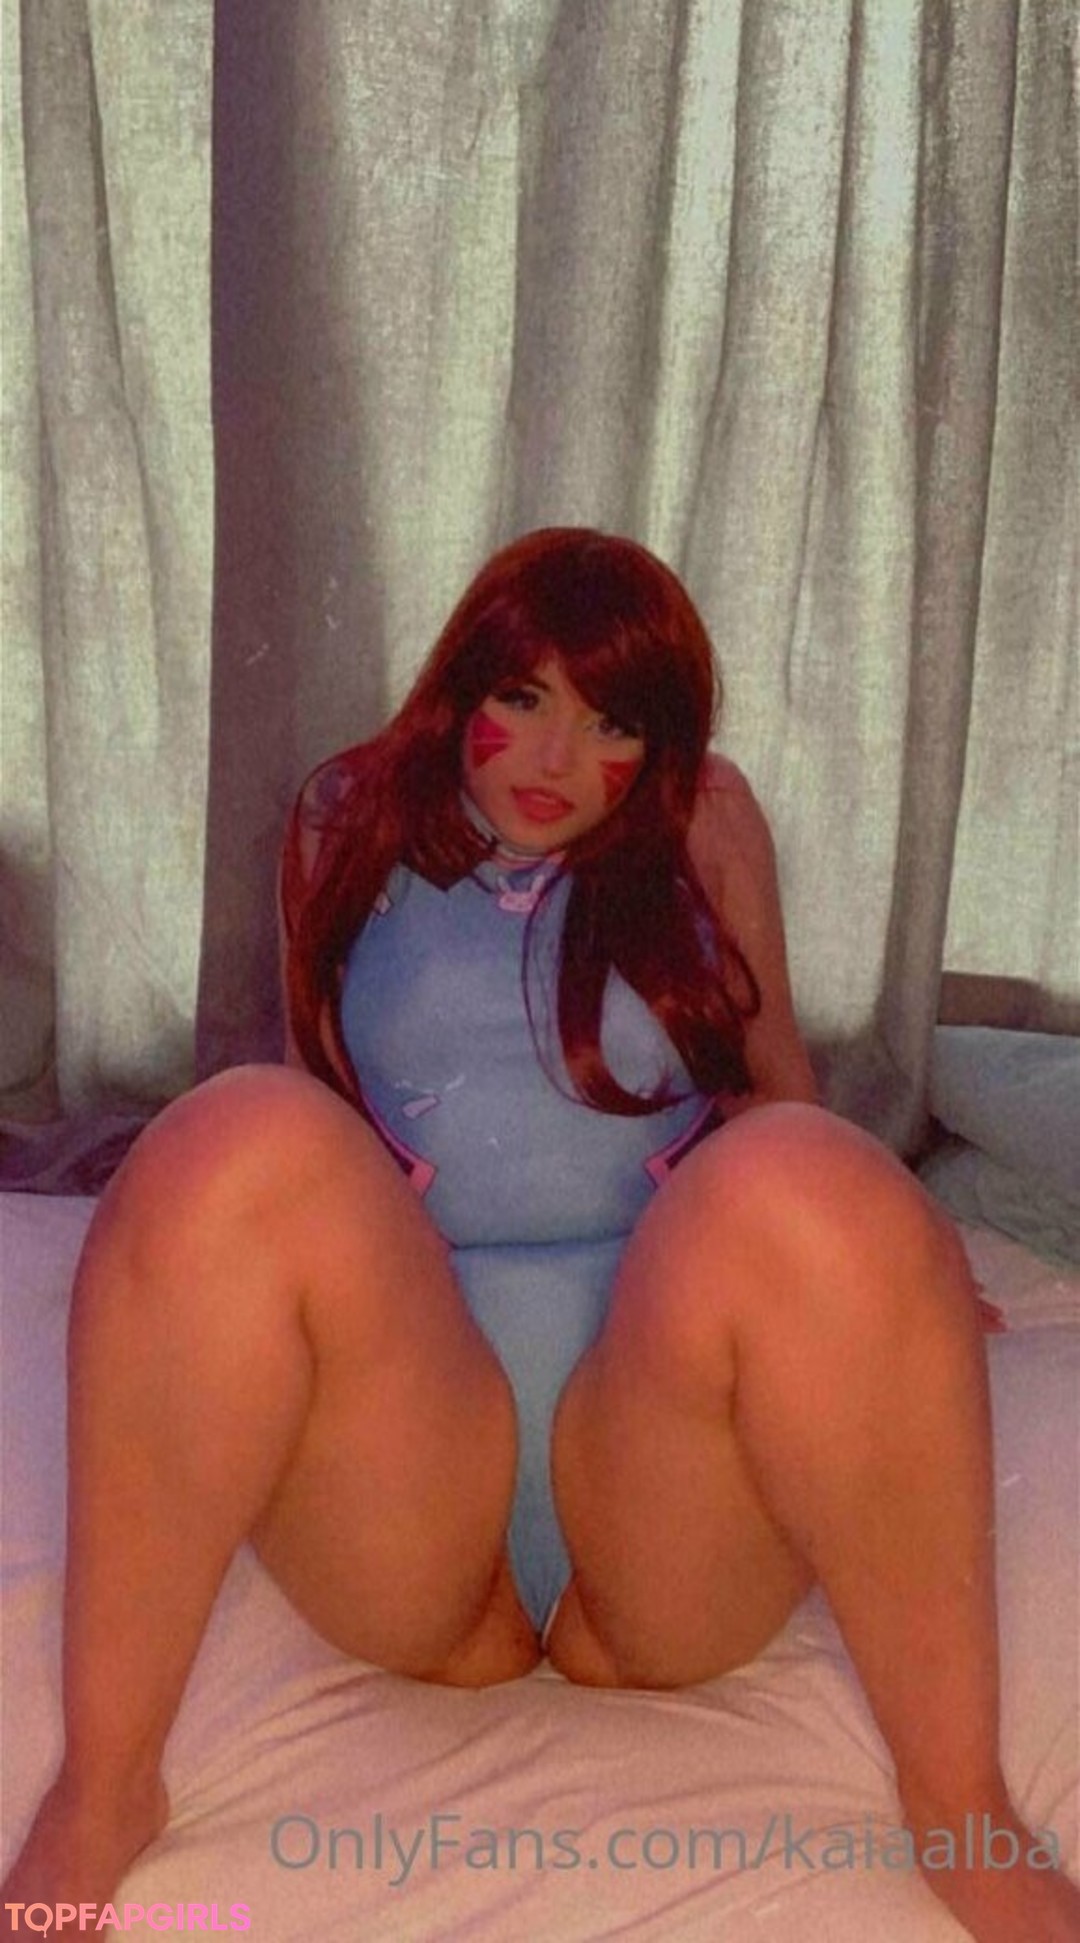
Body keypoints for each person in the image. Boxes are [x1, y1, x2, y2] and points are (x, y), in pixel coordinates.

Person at [3, 529, 1078, 1943]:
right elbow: (321, 1113)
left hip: (656, 1460)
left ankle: (962, 1812)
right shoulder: (343, 818)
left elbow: (777, 1097)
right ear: (465, 685)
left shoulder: (706, 823)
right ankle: (104, 1786)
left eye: (612, 721)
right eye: (524, 698)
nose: (558, 758)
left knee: (813, 1173)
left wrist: (881, 1267)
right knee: (233, 1132)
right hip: (418, 1459)